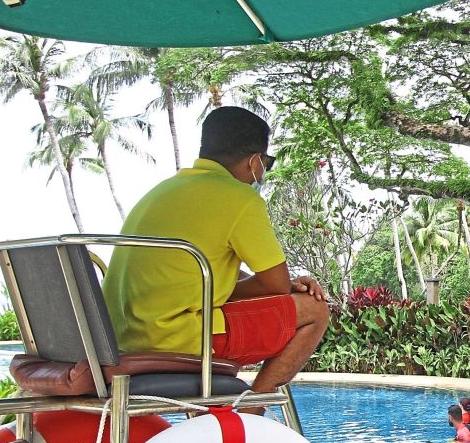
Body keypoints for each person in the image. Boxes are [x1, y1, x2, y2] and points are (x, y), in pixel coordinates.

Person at [102, 106, 329, 401]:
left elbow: (207, 277)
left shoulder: (162, 192)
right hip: (177, 338)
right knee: (314, 310)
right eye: (267, 163)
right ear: (255, 162)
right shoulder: (240, 199)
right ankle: (250, 418)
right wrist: (283, 286)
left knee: (268, 304)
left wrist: (284, 285)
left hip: (122, 338)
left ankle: (209, 424)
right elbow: (273, 285)